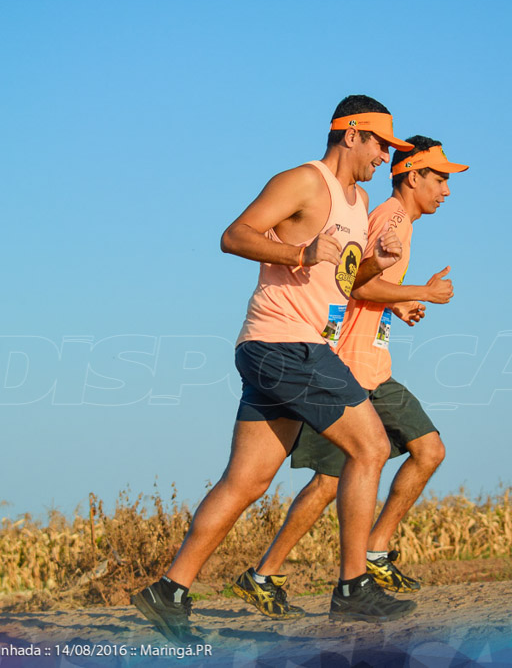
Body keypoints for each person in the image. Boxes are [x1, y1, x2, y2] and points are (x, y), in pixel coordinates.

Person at [131, 96, 418, 642]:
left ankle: (168, 592)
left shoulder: (356, 204)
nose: (386, 156)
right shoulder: (304, 181)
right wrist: (301, 255)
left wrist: (380, 265)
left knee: (247, 480)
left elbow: (343, 279)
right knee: (372, 447)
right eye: (382, 143)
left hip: (286, 348)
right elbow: (235, 235)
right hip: (285, 344)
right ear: (351, 133)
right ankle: (354, 587)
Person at [231, 136, 468, 618]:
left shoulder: (393, 220)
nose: (446, 189)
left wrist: (397, 302)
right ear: (414, 175)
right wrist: (418, 290)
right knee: (330, 479)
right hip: (350, 368)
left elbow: (357, 284)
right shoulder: (388, 218)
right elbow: (351, 279)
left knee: (410, 454)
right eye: (440, 177)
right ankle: (298, 574)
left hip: (366, 367)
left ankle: (353, 560)